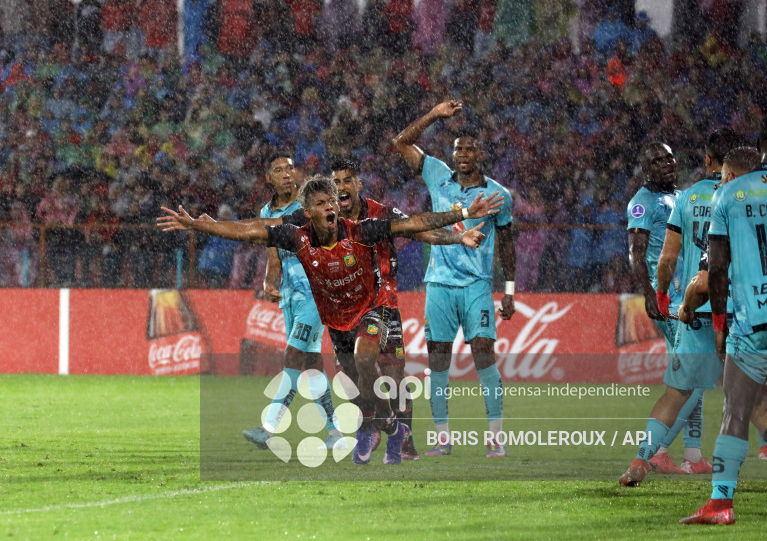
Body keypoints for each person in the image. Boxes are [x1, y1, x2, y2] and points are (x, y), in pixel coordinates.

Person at [159, 175, 500, 465]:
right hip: (337, 322)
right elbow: (250, 230)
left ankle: (384, 425)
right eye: (322, 203)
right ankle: (386, 427)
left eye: (332, 202)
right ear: (307, 213)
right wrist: (201, 225)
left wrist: (464, 214)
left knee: (367, 359)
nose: (330, 208)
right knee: (354, 382)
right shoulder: (297, 236)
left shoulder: (361, 231)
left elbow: (413, 224)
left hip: (372, 308)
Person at [682, 112, 767, 525]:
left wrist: (719, 325)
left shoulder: (730, 194)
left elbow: (715, 269)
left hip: (753, 321)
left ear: (761, 143)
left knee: (737, 408)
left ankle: (720, 503)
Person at [330, 156, 482, 460]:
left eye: (347, 180)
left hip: (382, 305)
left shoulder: (383, 215)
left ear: (359, 185)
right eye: (336, 182)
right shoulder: (326, 220)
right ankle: (379, 423)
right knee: (353, 375)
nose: (342, 187)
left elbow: (418, 229)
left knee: (394, 376)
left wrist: (457, 236)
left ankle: (400, 436)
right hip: (344, 311)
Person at [392, 100, 516, 458]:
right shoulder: (437, 174)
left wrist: (508, 291)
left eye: (470, 148)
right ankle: (443, 439)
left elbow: (506, 243)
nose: (463, 154)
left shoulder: (498, 195)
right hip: (439, 284)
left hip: (477, 285)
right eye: (459, 148)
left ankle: (495, 438)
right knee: (438, 361)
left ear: (481, 153)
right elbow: (401, 142)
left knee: (483, 357)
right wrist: (431, 114)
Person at [645, 129, 742, 477]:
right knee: (759, 393)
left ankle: (647, 455)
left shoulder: (686, 198)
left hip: (695, 306)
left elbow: (667, 259)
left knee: (680, 390)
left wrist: (661, 294)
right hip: (741, 308)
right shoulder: (742, 197)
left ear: (707, 159)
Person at [239, 154, 341, 450]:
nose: (286, 174)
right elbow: (274, 257)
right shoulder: (266, 211)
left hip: (315, 291)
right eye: (278, 170)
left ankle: (269, 426)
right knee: (311, 364)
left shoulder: (308, 206)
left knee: (293, 355)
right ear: (268, 178)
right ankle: (335, 429)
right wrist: (270, 283)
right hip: (291, 296)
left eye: (289, 168)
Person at [619, 141, 695, 485]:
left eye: (669, 156)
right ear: (647, 167)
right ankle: (656, 453)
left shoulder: (679, 196)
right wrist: (649, 292)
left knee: (693, 372)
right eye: (658, 159)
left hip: (688, 295)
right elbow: (636, 251)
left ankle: (693, 456)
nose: (667, 162)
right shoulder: (643, 202)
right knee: (690, 376)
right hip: (667, 297)